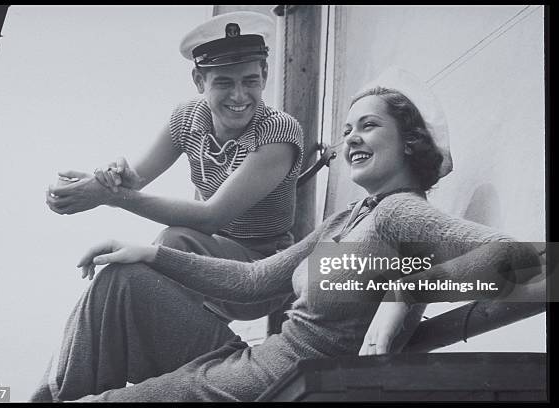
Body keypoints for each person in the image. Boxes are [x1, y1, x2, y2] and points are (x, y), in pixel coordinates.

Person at [32, 67, 541, 402]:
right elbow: (254, 280)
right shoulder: (350, 217)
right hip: (250, 360)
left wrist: (407, 285)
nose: (351, 140)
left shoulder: (400, 212)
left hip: (276, 382)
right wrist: (148, 253)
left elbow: (527, 265)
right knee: (125, 277)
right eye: (345, 131)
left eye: (369, 127)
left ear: (410, 143)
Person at [43, 11, 304, 325]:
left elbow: (212, 216)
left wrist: (108, 196)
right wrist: (99, 182)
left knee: (174, 242)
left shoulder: (279, 132)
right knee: (142, 269)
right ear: (198, 81)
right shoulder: (187, 117)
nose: (239, 95)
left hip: (262, 272)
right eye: (223, 82)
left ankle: (183, 348)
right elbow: (135, 179)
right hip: (207, 261)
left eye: (250, 80)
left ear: (264, 73)